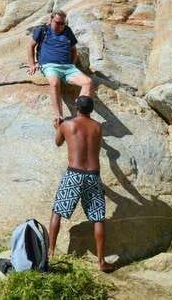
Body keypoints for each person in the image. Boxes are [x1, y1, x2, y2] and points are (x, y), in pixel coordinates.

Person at [48, 95, 114, 272]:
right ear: (91, 110)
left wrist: (58, 127)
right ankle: (101, 261)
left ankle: (50, 254)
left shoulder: (67, 125)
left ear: (76, 108)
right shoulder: (98, 127)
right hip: (93, 175)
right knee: (98, 218)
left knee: (57, 212)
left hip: (74, 175)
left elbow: (58, 142)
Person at [27, 10, 93, 124]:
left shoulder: (67, 31)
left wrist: (72, 63)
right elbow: (30, 46)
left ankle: (81, 113)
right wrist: (32, 64)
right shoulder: (42, 30)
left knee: (88, 82)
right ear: (51, 20)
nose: (60, 26)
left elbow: (73, 49)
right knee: (54, 83)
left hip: (68, 67)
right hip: (50, 66)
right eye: (57, 23)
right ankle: (59, 117)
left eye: (63, 23)